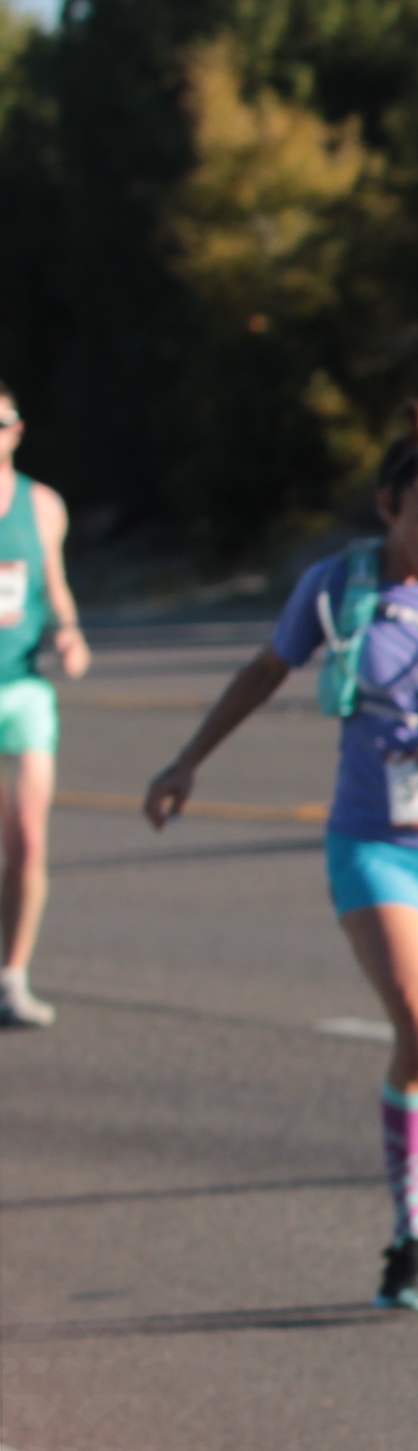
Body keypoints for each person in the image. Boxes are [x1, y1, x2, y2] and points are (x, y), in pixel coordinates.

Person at [143, 406, 418, 1309]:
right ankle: (407, 1235)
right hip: (376, 845)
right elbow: (264, 672)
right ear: (389, 507)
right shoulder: (336, 587)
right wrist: (188, 760)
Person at [0, 379, 99, 1028]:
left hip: (22, 686)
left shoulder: (41, 505)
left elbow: (55, 584)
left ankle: (12, 977)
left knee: (29, 841)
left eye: (1, 423)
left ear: (17, 430)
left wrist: (69, 632)